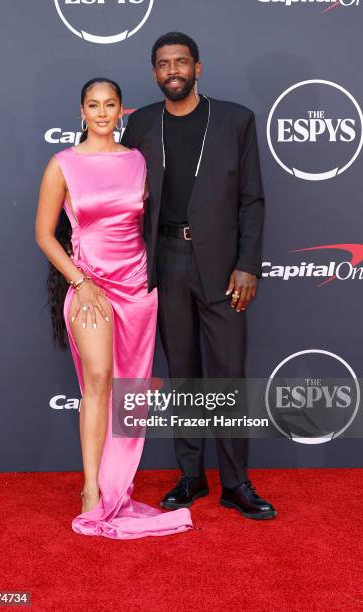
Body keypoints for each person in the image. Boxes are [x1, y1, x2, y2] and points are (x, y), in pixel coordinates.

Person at [121, 33, 277, 520]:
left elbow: (252, 199)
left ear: (198, 68)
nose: (173, 70)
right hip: (164, 262)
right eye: (164, 64)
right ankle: (192, 476)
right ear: (154, 73)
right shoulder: (142, 124)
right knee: (184, 372)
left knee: (227, 376)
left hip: (223, 267)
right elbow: (120, 192)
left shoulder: (235, 120)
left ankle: (236, 483)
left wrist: (248, 263)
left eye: (181, 62)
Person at [34, 77, 192, 538]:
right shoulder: (62, 164)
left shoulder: (139, 161)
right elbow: (45, 233)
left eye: (110, 105)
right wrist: (80, 282)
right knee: (100, 378)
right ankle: (91, 489)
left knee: (128, 387)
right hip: (89, 286)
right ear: (81, 111)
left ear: (121, 111)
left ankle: (116, 484)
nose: (101, 113)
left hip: (138, 287)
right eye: (93, 105)